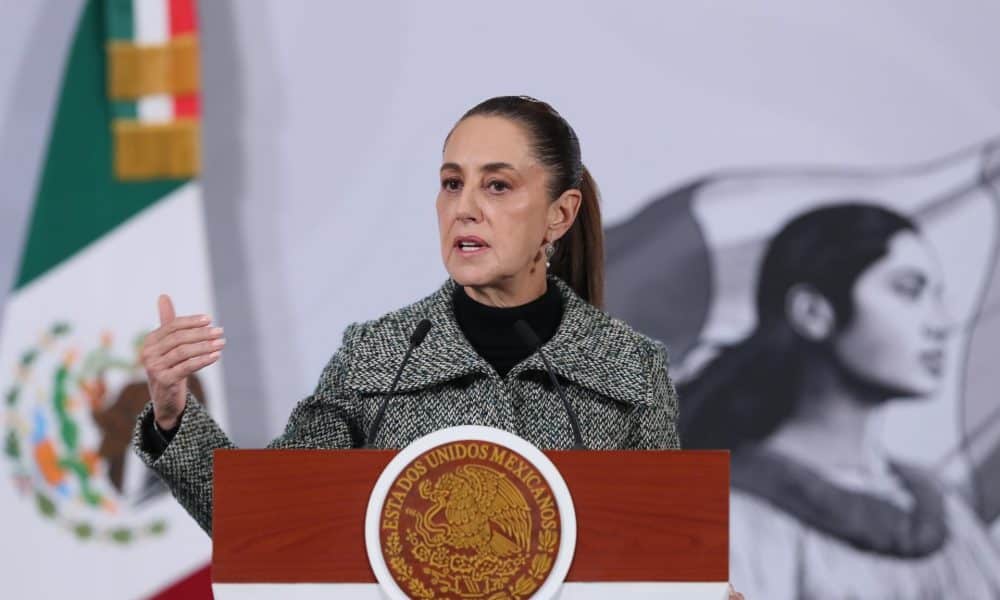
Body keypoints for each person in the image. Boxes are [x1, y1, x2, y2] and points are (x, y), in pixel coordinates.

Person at [132, 95, 680, 532]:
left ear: (560, 214)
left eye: (497, 185)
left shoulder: (630, 367)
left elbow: (662, 552)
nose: (465, 208)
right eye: (451, 183)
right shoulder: (378, 355)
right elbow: (263, 518)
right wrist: (173, 415)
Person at [680, 203, 1000, 598]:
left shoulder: (949, 515)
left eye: (937, 295)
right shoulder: (728, 518)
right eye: (908, 290)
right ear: (814, 312)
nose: (941, 323)